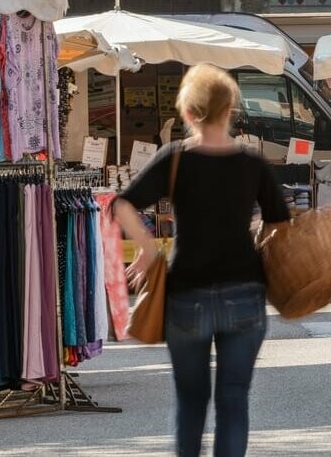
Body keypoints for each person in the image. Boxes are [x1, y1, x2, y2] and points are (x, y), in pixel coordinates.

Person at [114, 65, 289, 457]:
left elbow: (123, 203)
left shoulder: (175, 159)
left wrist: (147, 248)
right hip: (245, 291)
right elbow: (280, 222)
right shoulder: (252, 162)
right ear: (230, 110)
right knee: (233, 403)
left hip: (186, 292)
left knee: (191, 403)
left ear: (188, 114)